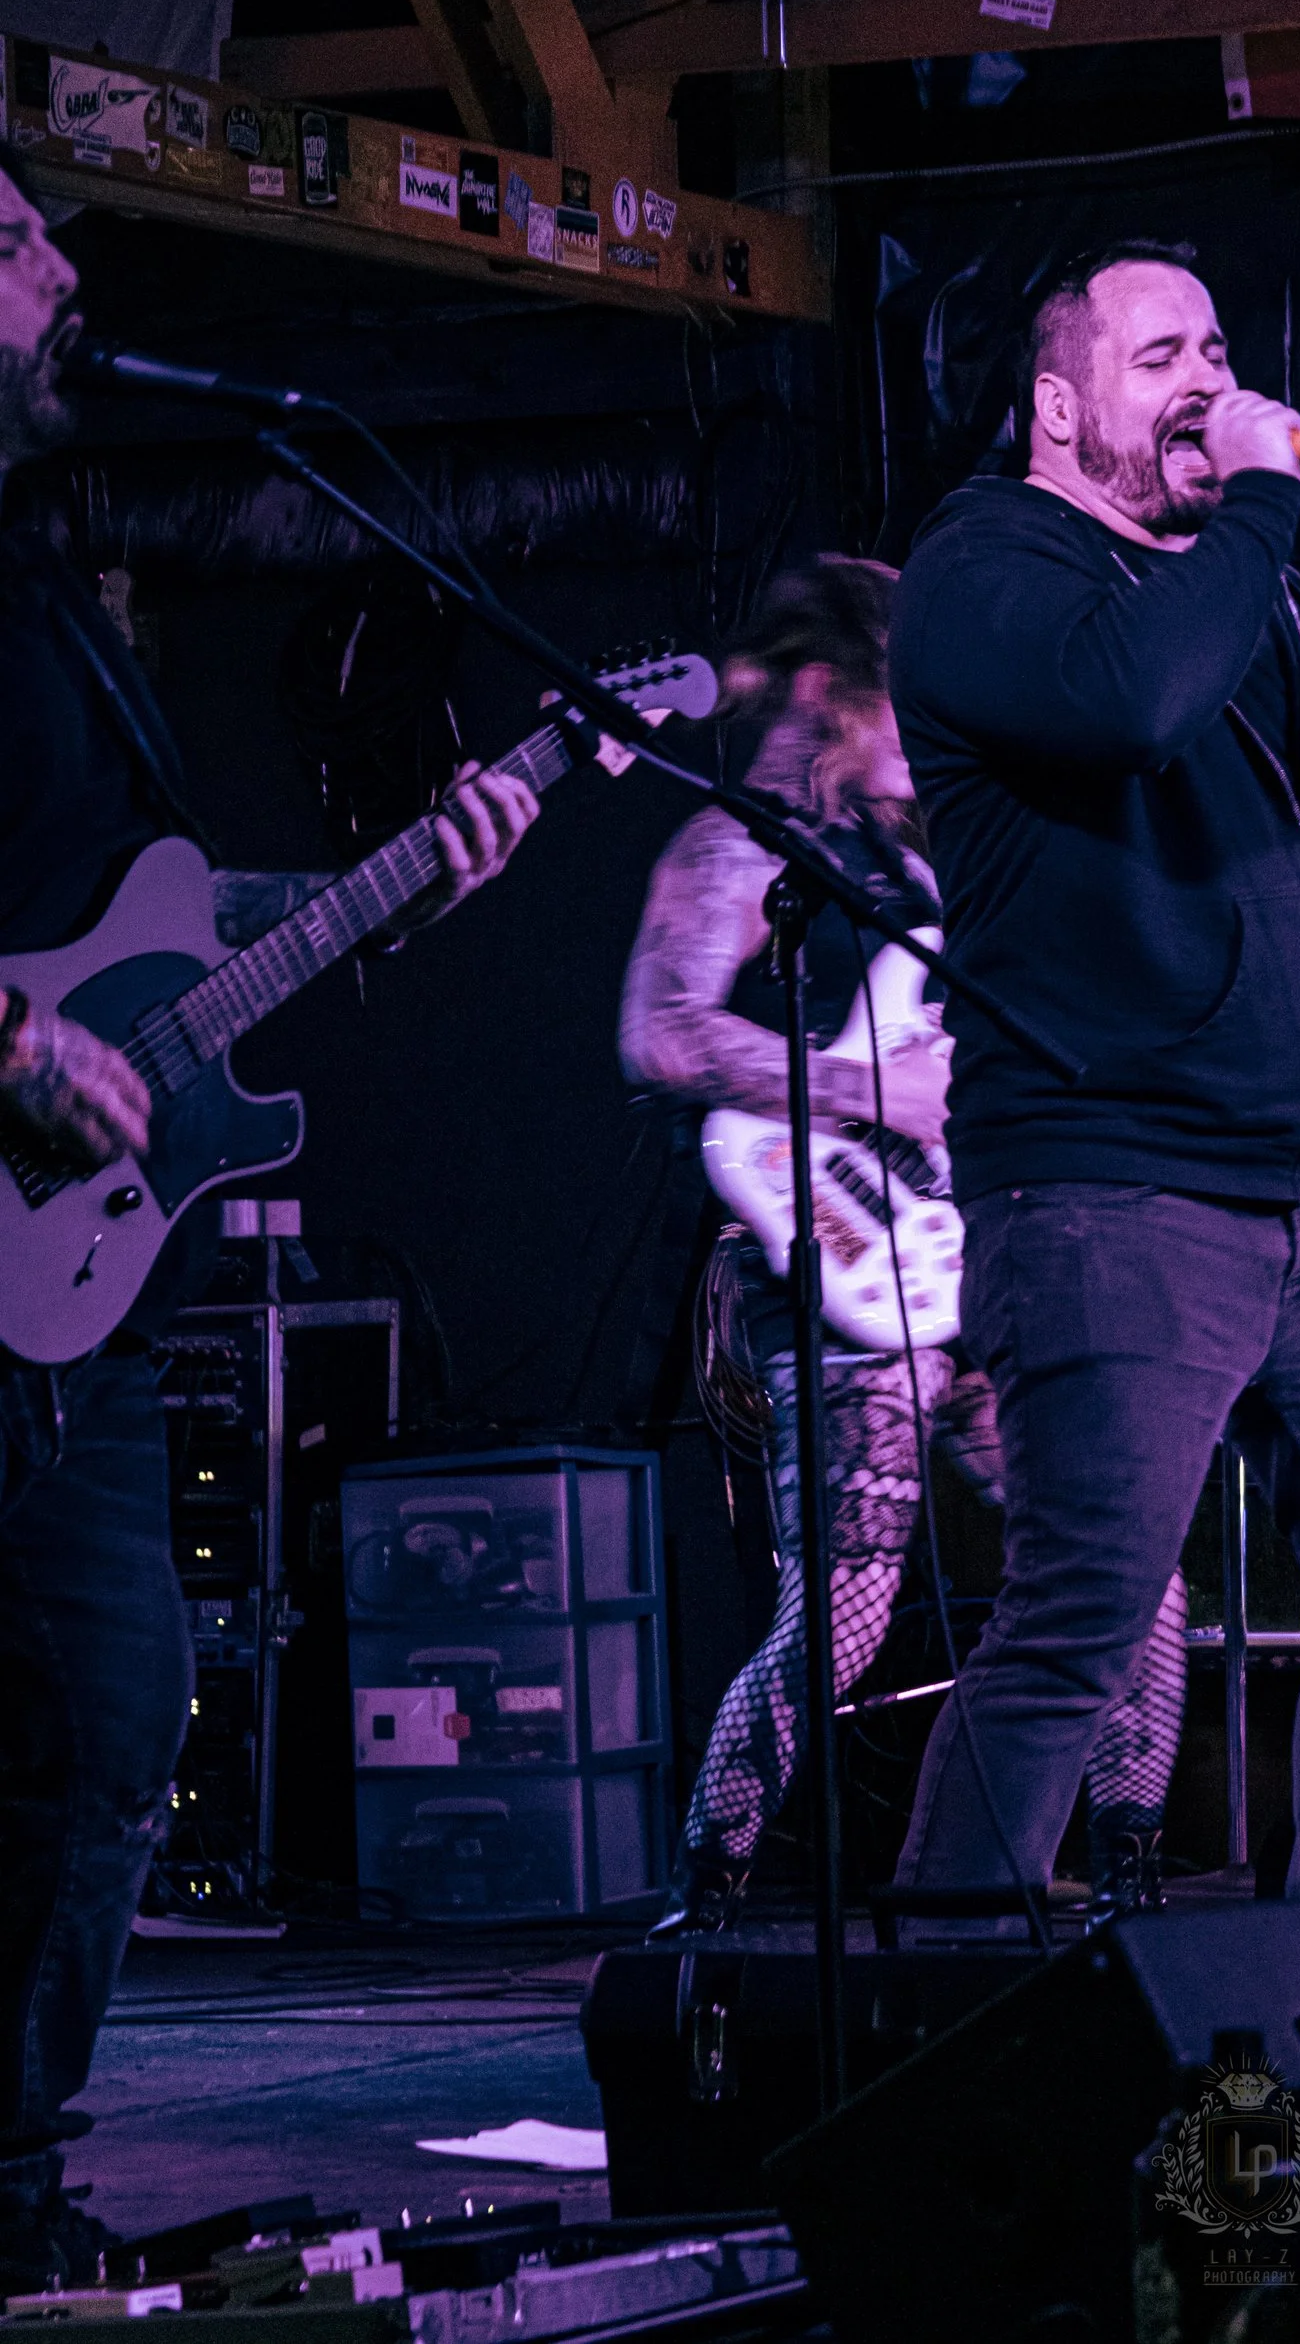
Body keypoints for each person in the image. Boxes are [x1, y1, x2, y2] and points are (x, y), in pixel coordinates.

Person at [0, 163, 537, 2290]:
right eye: (23, 242)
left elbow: (147, 935)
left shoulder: (46, 585)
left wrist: (408, 869)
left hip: (93, 1306)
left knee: (116, 1737)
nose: (68, 276)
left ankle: (15, 2184)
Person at [885, 239, 1300, 1902]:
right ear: (1057, 404)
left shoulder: (1262, 601)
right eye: (1161, 359)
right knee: (1079, 1621)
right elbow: (1131, 702)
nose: (1207, 383)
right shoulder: (985, 564)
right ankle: (943, 2029)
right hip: (1114, 1189)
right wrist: (1263, 507)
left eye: (1218, 346)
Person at [618, 558, 1187, 1930]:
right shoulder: (737, 844)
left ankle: (1129, 1892)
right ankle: (705, 1900)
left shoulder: (922, 841)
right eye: (897, 699)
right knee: (843, 1619)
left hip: (982, 1251)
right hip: (832, 1259)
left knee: (1131, 1576)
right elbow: (658, 1031)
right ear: (830, 690)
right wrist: (881, 1091)